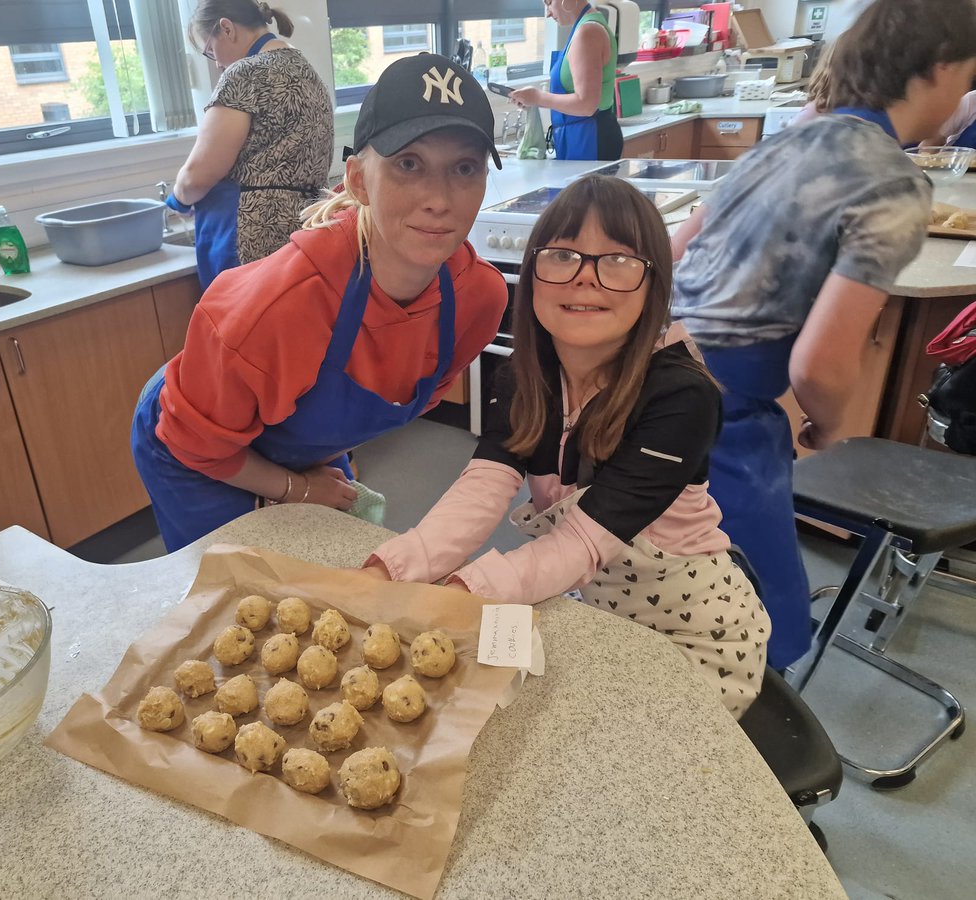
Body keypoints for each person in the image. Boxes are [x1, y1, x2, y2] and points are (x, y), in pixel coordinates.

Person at [362, 176, 770, 719]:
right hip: (598, 610)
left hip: (695, 633)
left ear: (655, 285)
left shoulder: (680, 398)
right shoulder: (527, 378)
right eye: (562, 256)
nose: (585, 281)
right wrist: (393, 568)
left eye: (618, 261)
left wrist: (462, 590)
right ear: (531, 277)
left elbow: (581, 542)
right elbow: (483, 487)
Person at [669, 0, 976, 671]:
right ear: (943, 68)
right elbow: (818, 363)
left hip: (650, 375)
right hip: (716, 418)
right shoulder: (893, 183)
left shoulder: (790, 139)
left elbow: (674, 246)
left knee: (648, 578)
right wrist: (830, 428)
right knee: (748, 619)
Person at [133, 53, 509, 551]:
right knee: (239, 598)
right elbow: (195, 444)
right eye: (408, 164)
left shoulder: (476, 298)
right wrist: (299, 488)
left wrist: (313, 468)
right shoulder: (280, 307)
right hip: (195, 444)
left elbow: (421, 388)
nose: (439, 199)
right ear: (357, 180)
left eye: (464, 168)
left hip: (291, 442)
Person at [168, 0, 333, 289]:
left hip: (254, 236)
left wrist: (178, 200)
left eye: (209, 51)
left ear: (227, 28)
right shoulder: (306, 70)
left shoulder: (243, 75)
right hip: (308, 227)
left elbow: (198, 174)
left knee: (249, 329)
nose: (217, 63)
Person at [508, 0, 623, 161]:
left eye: (549, 3)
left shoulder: (587, 32)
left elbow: (586, 104)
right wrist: (534, 100)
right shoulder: (587, 26)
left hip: (590, 138)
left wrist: (538, 97)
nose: (548, 13)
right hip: (584, 135)